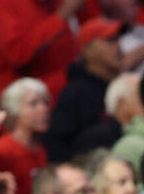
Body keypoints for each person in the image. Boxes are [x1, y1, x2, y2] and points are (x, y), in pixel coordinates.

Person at [44, 18, 123, 162]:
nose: (118, 46)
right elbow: (57, 144)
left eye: (118, 39)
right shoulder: (75, 93)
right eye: (110, 40)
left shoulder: (115, 85)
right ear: (88, 50)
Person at [0, 77, 50, 194]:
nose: (43, 109)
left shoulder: (40, 149)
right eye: (33, 103)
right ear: (14, 111)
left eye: (45, 103)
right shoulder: (2, 151)